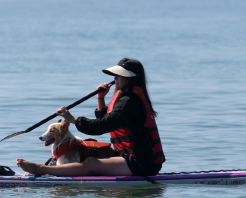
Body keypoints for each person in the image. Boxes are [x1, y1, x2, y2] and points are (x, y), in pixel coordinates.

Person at [16, 58, 165, 178]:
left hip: (142, 163)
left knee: (90, 163)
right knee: (87, 151)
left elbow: (102, 126)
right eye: (115, 75)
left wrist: (73, 119)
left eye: (119, 75)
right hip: (131, 158)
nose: (115, 78)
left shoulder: (130, 101)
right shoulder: (127, 99)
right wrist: (100, 98)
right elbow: (110, 120)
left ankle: (41, 169)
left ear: (131, 78)